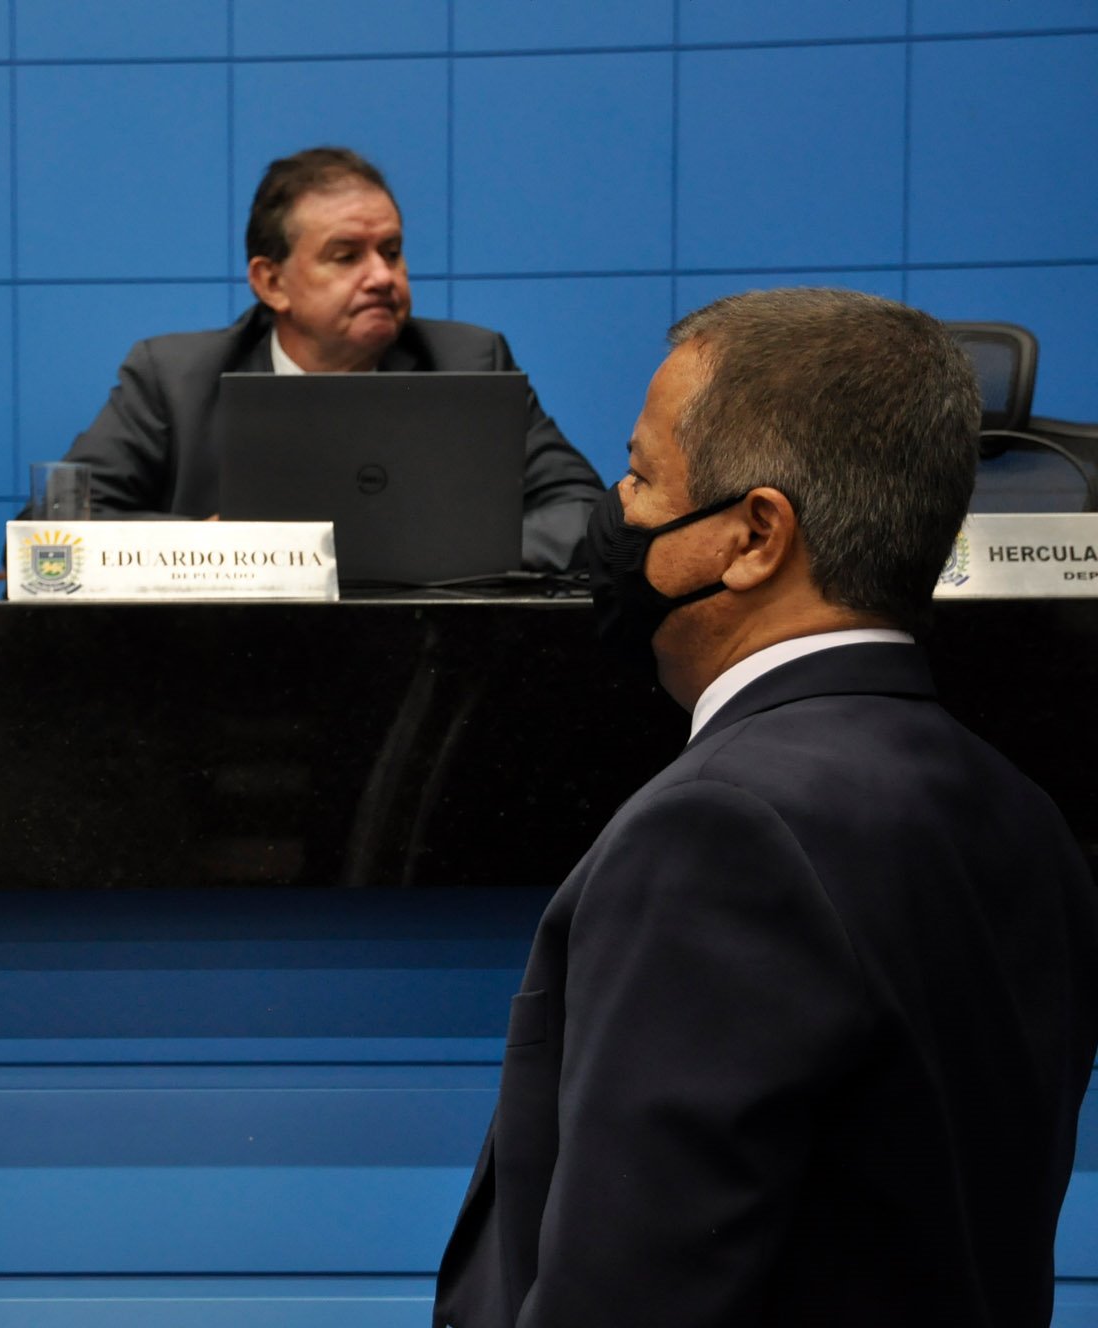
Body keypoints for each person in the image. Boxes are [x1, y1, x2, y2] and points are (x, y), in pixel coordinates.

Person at [434, 288, 1098, 1327]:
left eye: (641, 477)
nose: (617, 509)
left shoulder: (718, 832)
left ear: (753, 535)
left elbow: (630, 1291)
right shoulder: (1026, 817)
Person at [57, 146, 603, 572]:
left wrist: (439, 550)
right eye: (346, 257)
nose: (382, 276)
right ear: (271, 283)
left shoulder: (469, 362)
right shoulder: (174, 379)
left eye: (392, 252)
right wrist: (213, 549)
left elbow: (582, 511)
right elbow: (57, 526)